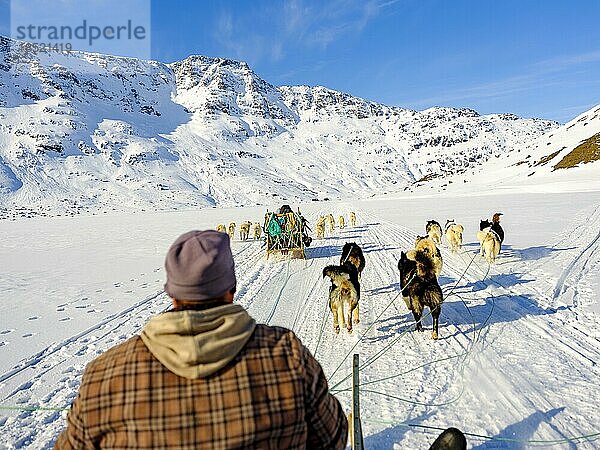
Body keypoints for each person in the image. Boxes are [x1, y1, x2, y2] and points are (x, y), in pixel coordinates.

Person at [55, 230, 348, 449]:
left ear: (172, 294)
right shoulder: (287, 354)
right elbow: (333, 438)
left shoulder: (103, 375)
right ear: (231, 288)